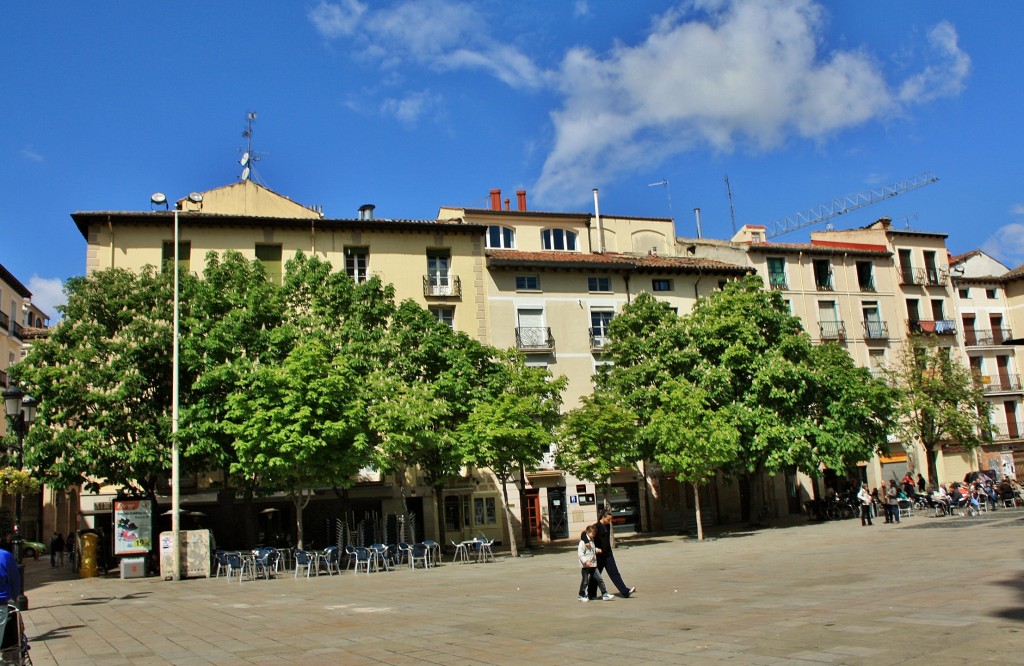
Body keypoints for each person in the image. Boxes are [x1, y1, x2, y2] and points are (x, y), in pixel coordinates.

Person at [588, 509, 636, 599]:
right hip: (599, 556)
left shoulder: (608, 526)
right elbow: (585, 535)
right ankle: (591, 594)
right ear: (603, 517)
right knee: (596, 576)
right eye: (608, 519)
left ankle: (625, 592)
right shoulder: (596, 526)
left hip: (608, 555)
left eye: (611, 520)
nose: (610, 521)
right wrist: (591, 546)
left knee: (615, 573)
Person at [577, 524, 613, 602]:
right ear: (588, 532)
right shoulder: (583, 542)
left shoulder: (592, 540)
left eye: (594, 534)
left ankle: (605, 594)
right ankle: (581, 596)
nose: (594, 535)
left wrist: (596, 550)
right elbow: (580, 553)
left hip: (593, 564)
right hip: (586, 566)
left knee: (599, 579)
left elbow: (591, 550)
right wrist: (586, 561)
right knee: (585, 581)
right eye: (593, 534)